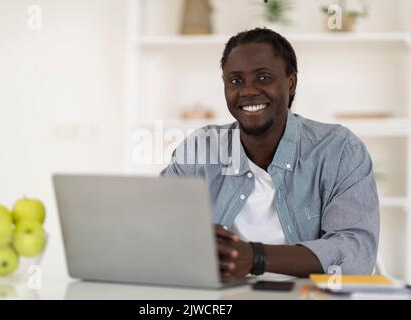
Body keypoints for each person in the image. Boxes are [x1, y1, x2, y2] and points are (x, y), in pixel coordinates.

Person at [161, 28, 379, 279]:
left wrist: (256, 257)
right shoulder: (199, 149)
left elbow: (356, 255)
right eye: (235, 80)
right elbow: (158, 227)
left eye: (263, 78)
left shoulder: (339, 150)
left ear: (291, 82)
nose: (248, 91)